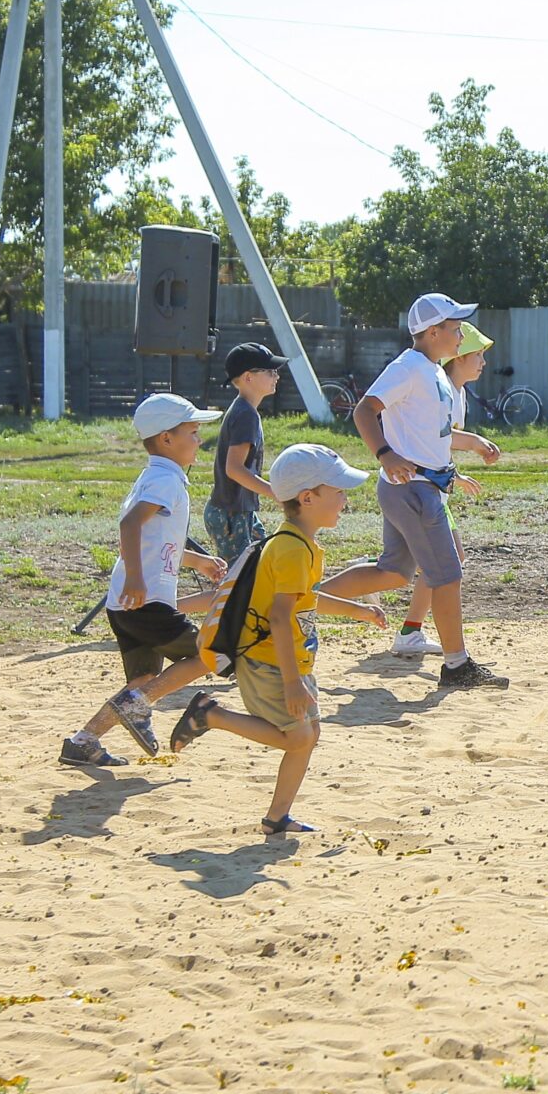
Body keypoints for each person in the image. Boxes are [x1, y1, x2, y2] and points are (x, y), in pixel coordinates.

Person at [168, 443, 387, 834]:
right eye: (338, 491)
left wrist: (358, 611)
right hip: (269, 662)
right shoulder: (291, 549)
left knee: (308, 735)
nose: (345, 500)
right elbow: (280, 617)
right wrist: (291, 682)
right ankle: (210, 715)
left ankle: (276, 818)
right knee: (298, 737)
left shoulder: (300, 544)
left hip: (292, 661)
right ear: (307, 498)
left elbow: (307, 599)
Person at [322, 292, 506, 690]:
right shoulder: (407, 367)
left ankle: (301, 599)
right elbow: (364, 410)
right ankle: (457, 665)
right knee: (447, 574)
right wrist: (385, 453)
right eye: (455, 328)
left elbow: (431, 435)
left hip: (415, 488)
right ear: (433, 332)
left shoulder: (433, 371)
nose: (461, 336)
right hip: (413, 491)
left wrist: (472, 445)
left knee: (393, 572)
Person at [62, 393, 233, 767]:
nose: (199, 440)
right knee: (211, 654)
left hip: (125, 602)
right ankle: (137, 707)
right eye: (192, 432)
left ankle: (83, 742)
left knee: (144, 678)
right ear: (167, 438)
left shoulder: (155, 476)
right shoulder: (164, 481)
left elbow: (155, 540)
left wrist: (198, 561)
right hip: (145, 600)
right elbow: (129, 526)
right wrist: (137, 580)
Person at [392, 323, 496, 658]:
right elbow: (437, 439)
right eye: (478, 355)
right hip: (420, 488)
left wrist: (455, 474)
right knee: (440, 563)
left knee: (417, 565)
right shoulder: (442, 386)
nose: (483, 362)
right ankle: (414, 633)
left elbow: (438, 445)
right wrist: (472, 447)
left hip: (431, 487)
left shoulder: (456, 390)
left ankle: (411, 630)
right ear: (458, 357)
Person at [203, 341, 284, 564]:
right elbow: (234, 469)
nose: (276, 376)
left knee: (263, 563)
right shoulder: (245, 415)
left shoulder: (246, 411)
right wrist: (276, 493)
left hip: (240, 511)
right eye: (270, 371)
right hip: (231, 515)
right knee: (239, 578)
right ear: (248, 377)